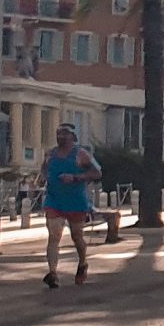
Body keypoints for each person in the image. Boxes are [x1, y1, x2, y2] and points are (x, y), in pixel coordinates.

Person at [38, 123, 104, 288]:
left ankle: (82, 263)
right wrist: (42, 178)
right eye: (58, 133)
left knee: (77, 237)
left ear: (73, 137)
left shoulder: (81, 154)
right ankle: (52, 273)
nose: (60, 137)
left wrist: (75, 177)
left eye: (64, 134)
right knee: (54, 237)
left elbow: (97, 173)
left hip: (75, 201)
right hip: (54, 200)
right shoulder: (50, 154)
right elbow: (44, 170)